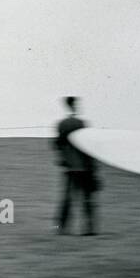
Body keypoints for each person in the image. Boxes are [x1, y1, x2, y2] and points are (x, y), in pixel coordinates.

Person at [54, 96, 100, 235]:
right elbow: (89, 147)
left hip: (70, 168)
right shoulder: (81, 124)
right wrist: (93, 167)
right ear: (74, 105)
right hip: (84, 169)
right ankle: (89, 229)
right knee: (86, 200)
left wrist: (64, 159)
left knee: (67, 199)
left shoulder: (62, 124)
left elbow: (57, 145)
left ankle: (61, 228)